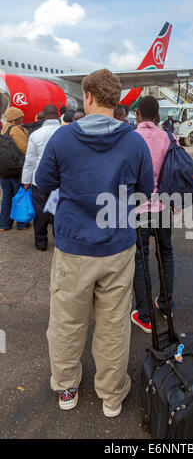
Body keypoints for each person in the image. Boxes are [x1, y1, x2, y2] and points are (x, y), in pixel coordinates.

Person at [35, 69, 154, 416]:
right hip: (118, 246)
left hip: (74, 246)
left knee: (67, 322)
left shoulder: (62, 138)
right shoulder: (134, 141)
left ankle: (68, 387)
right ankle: (111, 395)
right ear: (116, 100)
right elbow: (146, 190)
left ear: (87, 96)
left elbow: (43, 183)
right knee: (114, 324)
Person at [131, 95, 175, 333]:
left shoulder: (131, 138)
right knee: (166, 254)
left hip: (138, 208)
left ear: (138, 113)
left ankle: (145, 315)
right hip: (164, 206)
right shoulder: (169, 137)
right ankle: (167, 305)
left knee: (141, 258)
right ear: (157, 115)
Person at [22, 105, 61, 251]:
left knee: (40, 211)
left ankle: (41, 242)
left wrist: (26, 181)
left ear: (43, 117)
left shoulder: (35, 134)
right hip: (60, 180)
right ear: (57, 115)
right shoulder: (65, 132)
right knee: (59, 210)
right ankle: (59, 241)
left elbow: (30, 161)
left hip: (39, 179)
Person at [0, 107, 30, 231]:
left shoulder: (3, 129)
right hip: (15, 169)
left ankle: (4, 224)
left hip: (3, 170)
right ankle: (22, 224)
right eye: (20, 118)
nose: (22, 120)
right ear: (15, 119)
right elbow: (25, 148)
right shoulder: (16, 130)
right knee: (19, 195)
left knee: (7, 195)